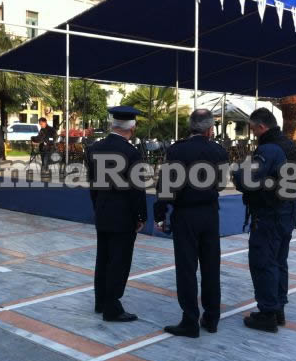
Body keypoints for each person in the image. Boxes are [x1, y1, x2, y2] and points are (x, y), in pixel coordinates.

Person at [154, 109, 229, 338]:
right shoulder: (219, 151)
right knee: (211, 266)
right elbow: (221, 184)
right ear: (210, 129)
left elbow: (166, 186)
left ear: (191, 126)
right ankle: (212, 318)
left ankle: (190, 320)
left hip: (185, 214)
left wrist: (160, 213)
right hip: (210, 214)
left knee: (187, 268)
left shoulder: (177, 150)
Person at [233, 107, 296, 333]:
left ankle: (267, 314)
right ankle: (278, 308)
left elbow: (247, 180)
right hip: (287, 212)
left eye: (253, 129)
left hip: (269, 214)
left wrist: (237, 172)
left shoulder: (269, 149)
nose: (253, 134)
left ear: (261, 127)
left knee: (263, 262)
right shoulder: (289, 145)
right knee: (280, 261)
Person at [85, 106, 147, 322]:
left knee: (103, 258)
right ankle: (112, 307)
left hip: (103, 211)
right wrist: (141, 215)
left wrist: (97, 206)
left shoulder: (94, 148)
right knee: (119, 261)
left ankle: (100, 301)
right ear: (132, 127)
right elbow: (137, 189)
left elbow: (93, 184)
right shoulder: (132, 153)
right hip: (123, 215)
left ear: (113, 125)